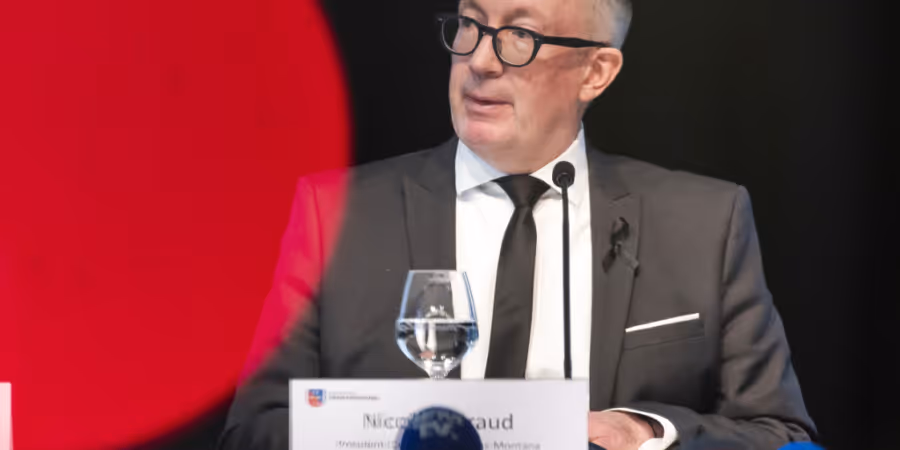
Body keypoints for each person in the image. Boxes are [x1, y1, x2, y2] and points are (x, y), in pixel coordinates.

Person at [219, 0, 817, 448]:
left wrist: (647, 433)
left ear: (596, 71)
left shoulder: (703, 224)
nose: (480, 60)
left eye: (520, 37)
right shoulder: (336, 215)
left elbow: (781, 435)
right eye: (471, 26)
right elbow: (253, 431)